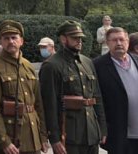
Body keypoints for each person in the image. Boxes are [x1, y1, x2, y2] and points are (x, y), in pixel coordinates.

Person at [39, 20, 107, 154]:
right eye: (75, 38)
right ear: (63, 39)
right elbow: (49, 104)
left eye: (80, 38)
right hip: (69, 133)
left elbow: (97, 97)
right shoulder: (52, 66)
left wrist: (102, 127)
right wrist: (54, 138)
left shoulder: (87, 62)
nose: (79, 41)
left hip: (91, 130)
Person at [0, 19, 49, 154]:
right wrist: (4, 141)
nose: (10, 41)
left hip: (32, 136)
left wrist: (42, 136)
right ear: (1, 42)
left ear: (21, 41)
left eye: (14, 37)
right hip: (11, 138)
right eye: (6, 38)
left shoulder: (28, 66)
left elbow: (38, 104)